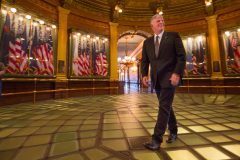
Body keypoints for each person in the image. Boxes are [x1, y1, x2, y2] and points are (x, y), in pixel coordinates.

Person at [141, 14, 186, 150]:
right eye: (158, 21)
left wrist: (177, 73)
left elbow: (181, 56)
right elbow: (145, 60)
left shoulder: (173, 36)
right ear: (152, 25)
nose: (161, 22)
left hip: (170, 78)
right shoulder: (147, 42)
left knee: (163, 107)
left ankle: (156, 139)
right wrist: (144, 74)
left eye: (163, 20)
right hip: (156, 80)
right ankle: (173, 130)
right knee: (166, 106)